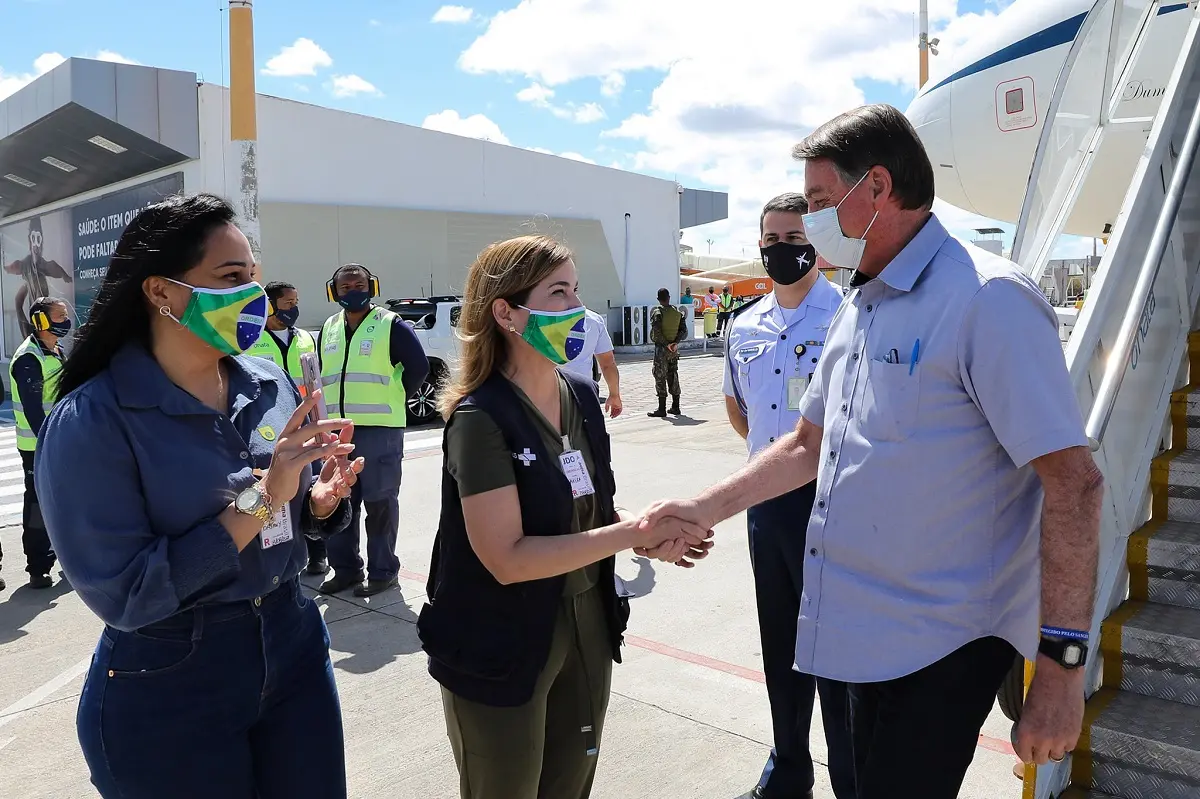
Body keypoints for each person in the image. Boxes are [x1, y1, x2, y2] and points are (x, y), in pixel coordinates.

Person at [639, 104, 1104, 798]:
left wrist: (1062, 671)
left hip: (946, 639)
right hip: (859, 630)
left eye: (823, 201)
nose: (813, 218)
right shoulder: (861, 301)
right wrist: (704, 506)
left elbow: (1075, 486)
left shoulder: (987, 300)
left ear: (878, 188)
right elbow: (807, 444)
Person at [35, 193, 364, 799]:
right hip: (173, 672)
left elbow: (288, 519)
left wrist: (317, 504)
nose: (255, 296)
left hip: (291, 641)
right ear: (161, 292)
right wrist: (265, 496)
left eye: (255, 278)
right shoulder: (93, 418)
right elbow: (128, 593)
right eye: (231, 278)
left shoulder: (265, 381)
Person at [417, 234, 711, 799]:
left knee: (571, 783)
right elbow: (506, 558)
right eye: (558, 292)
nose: (577, 307)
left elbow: (592, 512)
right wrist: (631, 531)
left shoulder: (578, 393)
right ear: (506, 312)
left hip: (587, 621)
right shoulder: (482, 418)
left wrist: (648, 533)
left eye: (577, 290)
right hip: (503, 634)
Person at [724, 194, 854, 799]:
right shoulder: (743, 325)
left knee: (834, 651)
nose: (782, 248)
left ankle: (850, 774)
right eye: (772, 239)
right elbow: (737, 406)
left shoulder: (848, 315)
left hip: (832, 503)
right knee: (780, 641)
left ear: (817, 243)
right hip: (768, 507)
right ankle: (790, 765)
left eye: (793, 236)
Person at [317, 263, 429, 597]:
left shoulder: (390, 324)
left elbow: (419, 368)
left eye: (360, 284)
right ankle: (347, 570)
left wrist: (393, 399)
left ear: (373, 287)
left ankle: (383, 572)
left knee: (379, 504)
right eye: (346, 287)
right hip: (339, 432)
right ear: (333, 292)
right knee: (339, 501)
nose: (354, 291)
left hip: (380, 429)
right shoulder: (329, 327)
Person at [247, 281, 327, 575]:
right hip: (271, 427)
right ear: (270, 305)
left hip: (307, 426)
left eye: (295, 302)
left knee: (310, 485)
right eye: (288, 303)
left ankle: (318, 554)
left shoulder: (306, 338)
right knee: (277, 492)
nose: (294, 308)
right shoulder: (254, 340)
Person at [2, 296, 70, 591]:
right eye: (59, 316)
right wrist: (48, 445)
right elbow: (32, 410)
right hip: (37, 446)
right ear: (41, 320)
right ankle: (38, 566)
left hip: (61, 441)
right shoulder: (29, 358)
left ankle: (67, 557)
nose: (65, 321)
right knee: (38, 505)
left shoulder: (56, 351)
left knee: (66, 503)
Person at [5, 216, 73, 339]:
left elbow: (53, 267)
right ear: (29, 241)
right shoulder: (26, 264)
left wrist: (65, 275)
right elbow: (13, 267)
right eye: (33, 239)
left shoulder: (42, 264)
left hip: (42, 316)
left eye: (39, 240)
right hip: (36, 318)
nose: (36, 245)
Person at [559, 307, 623, 418]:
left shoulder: (536, 315)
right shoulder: (593, 319)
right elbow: (607, 363)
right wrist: (614, 395)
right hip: (582, 392)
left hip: (546, 395)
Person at [647, 288, 686, 418]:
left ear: (658, 299)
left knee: (660, 376)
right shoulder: (677, 312)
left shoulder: (658, 313)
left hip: (661, 350)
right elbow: (683, 331)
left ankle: (661, 409)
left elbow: (656, 332)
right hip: (673, 350)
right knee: (673, 375)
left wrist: (666, 344)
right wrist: (675, 343)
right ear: (669, 297)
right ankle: (676, 407)